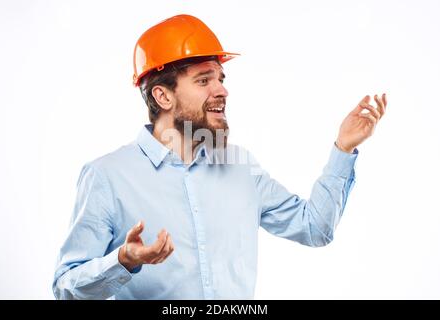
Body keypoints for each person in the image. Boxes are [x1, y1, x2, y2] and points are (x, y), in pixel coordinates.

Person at [53, 14, 387, 300]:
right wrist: (122, 260)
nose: (222, 90)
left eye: (220, 78)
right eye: (203, 80)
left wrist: (343, 148)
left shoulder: (241, 168)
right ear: (163, 95)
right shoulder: (108, 176)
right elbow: (65, 286)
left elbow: (315, 228)